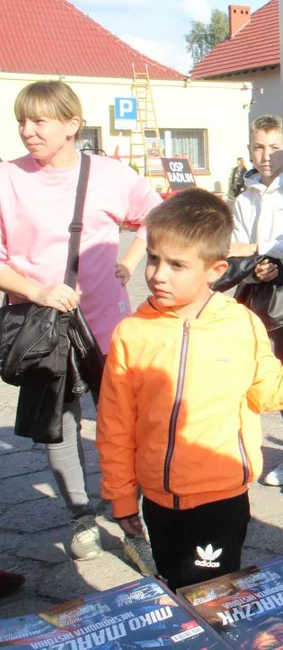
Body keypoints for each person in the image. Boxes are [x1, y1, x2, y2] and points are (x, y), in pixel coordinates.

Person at [95, 189, 283, 591]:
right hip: (158, 500)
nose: (158, 274)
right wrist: (122, 495)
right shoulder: (131, 332)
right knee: (174, 587)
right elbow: (114, 424)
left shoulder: (239, 325)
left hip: (220, 498)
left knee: (215, 594)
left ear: (215, 269)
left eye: (177, 265)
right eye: (153, 259)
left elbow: (267, 391)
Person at [0, 80, 161, 571]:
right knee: (60, 426)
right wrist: (38, 290)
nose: (28, 131)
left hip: (106, 328)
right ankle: (81, 517)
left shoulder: (110, 174)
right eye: (22, 120)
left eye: (40, 120)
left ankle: (132, 519)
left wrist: (132, 260)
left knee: (122, 426)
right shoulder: (6, 179)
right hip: (42, 330)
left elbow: (159, 216)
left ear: (72, 124)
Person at [228, 114, 283, 497]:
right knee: (273, 376)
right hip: (262, 295)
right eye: (259, 146)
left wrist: (261, 251)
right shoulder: (244, 197)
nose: (266, 154)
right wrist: (256, 263)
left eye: (275, 147)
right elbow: (235, 247)